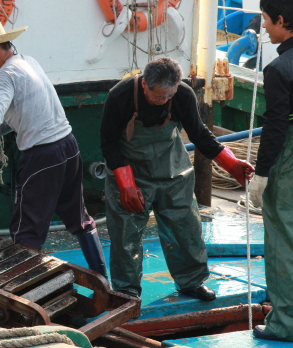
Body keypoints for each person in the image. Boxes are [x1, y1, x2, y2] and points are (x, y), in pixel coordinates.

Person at [0, 15, 107, 278]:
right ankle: (103, 281)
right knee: (80, 219)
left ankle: (30, 296)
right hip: (69, 147)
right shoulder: (29, 63)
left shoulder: (4, 76)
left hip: (42, 157)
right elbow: (26, 113)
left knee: (27, 232)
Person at [100, 57, 254, 300]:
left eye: (168, 96)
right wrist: (126, 185)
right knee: (125, 234)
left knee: (186, 227)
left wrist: (231, 164)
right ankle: (126, 290)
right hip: (130, 170)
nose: (164, 101)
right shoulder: (120, 95)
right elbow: (108, 142)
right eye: (159, 96)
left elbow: (199, 134)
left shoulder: (182, 94)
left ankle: (192, 281)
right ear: (144, 85)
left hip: (173, 169)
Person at [250, 0, 293, 342]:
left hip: (289, 158)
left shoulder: (279, 69)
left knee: (282, 238)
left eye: (265, 18)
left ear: (281, 20)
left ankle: (285, 324)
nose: (262, 25)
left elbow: (276, 126)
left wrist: (261, 175)